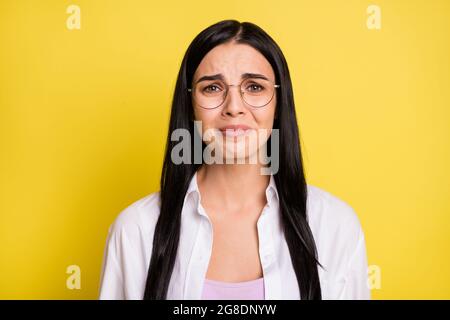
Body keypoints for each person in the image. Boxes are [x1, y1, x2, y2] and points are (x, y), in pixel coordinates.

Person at [98, 20, 370, 300]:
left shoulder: (335, 225)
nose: (234, 107)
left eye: (254, 87)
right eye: (212, 88)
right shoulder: (135, 230)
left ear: (278, 102)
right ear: (190, 105)